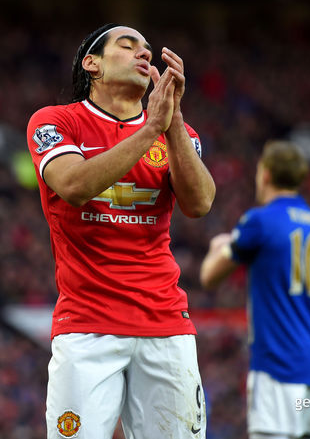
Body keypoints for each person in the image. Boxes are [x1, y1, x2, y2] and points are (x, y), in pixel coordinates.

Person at [26, 23, 216, 439]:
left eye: (147, 49)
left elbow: (200, 203)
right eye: (127, 46)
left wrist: (173, 120)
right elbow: (74, 186)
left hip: (166, 322)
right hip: (87, 325)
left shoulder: (177, 133)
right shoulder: (56, 121)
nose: (143, 54)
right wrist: (150, 129)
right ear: (91, 64)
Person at [200, 141, 310, 439]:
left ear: (265, 174)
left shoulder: (260, 221)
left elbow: (209, 277)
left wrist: (218, 247)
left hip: (276, 364)